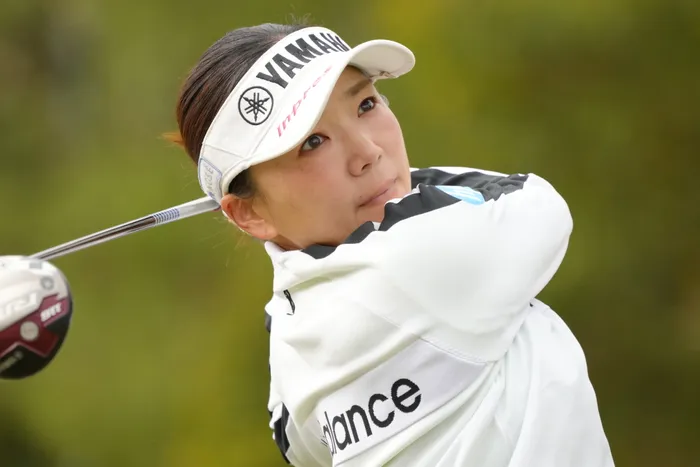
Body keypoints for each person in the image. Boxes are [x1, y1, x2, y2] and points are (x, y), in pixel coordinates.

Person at [167, 21, 615, 467]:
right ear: (249, 214)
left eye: (366, 104)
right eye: (313, 142)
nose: (367, 152)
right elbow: (540, 204)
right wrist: (397, 186)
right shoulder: (424, 257)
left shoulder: (290, 343)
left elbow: (297, 444)